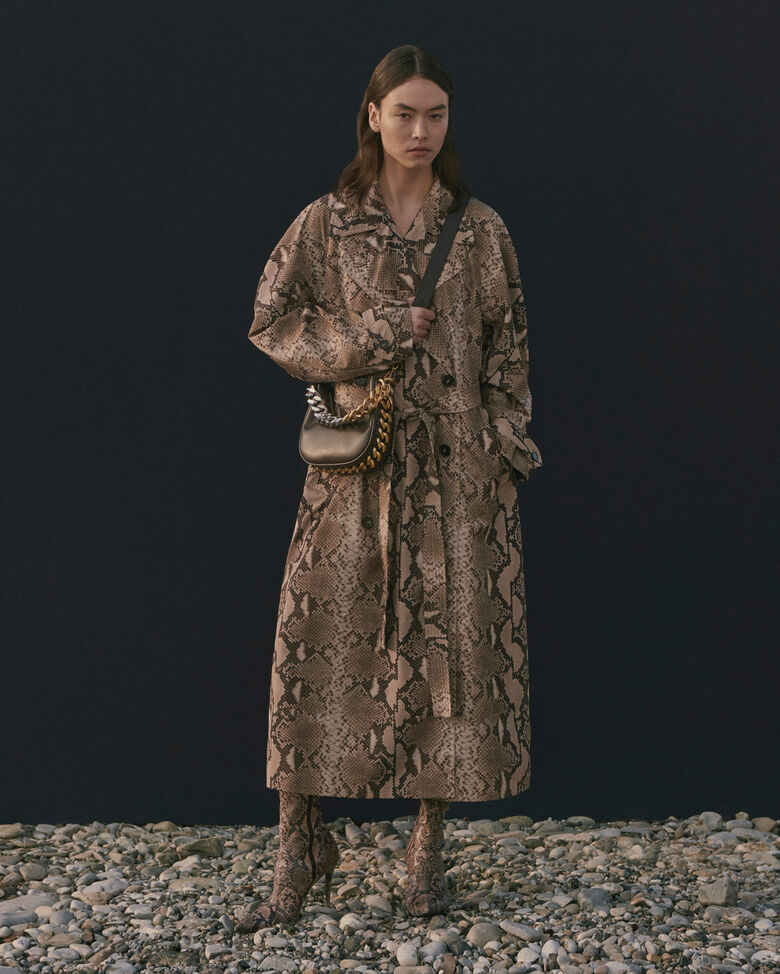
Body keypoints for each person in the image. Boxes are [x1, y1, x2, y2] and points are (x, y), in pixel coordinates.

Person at [235, 44, 543, 932]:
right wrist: (370, 334)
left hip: (458, 483)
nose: (420, 130)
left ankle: (425, 856)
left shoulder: (479, 229)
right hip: (356, 474)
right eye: (404, 112)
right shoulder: (328, 222)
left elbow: (509, 350)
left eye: (435, 114)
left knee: (449, 663)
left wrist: (503, 445)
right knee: (315, 649)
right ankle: (298, 851)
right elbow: (271, 321)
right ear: (373, 115)